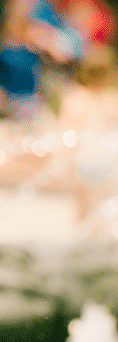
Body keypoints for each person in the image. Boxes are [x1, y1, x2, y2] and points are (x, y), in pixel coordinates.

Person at [59, 44, 118, 226]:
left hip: (84, 161)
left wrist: (63, 164)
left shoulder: (75, 98)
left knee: (83, 207)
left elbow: (66, 136)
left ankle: (82, 238)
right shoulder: (111, 98)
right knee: (104, 206)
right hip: (107, 162)